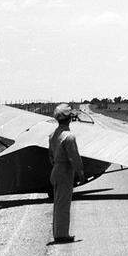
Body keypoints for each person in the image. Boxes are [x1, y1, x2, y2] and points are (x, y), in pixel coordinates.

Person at [48, 103, 85, 243]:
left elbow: (50, 156)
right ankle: (62, 235)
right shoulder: (69, 137)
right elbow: (74, 157)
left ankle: (58, 233)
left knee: (58, 203)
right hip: (64, 171)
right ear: (69, 119)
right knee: (64, 203)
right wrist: (80, 172)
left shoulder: (53, 135)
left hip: (56, 169)